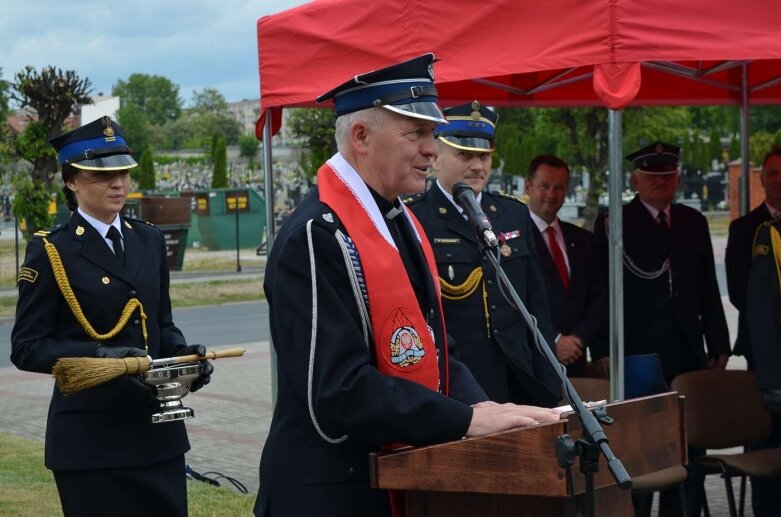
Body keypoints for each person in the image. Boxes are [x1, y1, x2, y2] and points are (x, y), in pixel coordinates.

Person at [254, 56, 560, 517]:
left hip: (399, 474)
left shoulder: (400, 220)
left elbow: (438, 350)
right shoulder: (315, 236)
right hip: (335, 491)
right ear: (361, 137)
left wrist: (494, 412)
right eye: (415, 133)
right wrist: (464, 420)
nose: (432, 149)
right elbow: (338, 390)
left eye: (432, 134)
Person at [10, 116, 212, 517]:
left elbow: (161, 324)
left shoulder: (149, 239)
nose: (118, 184)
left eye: (123, 173)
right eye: (102, 176)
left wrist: (184, 356)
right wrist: (97, 355)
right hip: (90, 440)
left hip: (157, 433)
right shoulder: (52, 250)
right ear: (72, 182)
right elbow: (27, 348)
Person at [593, 141, 730, 516]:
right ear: (636, 180)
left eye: (667, 176)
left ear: (678, 178)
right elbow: (602, 292)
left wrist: (719, 342)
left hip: (687, 350)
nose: (660, 183)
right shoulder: (614, 222)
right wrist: (602, 348)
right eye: (652, 177)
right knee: (640, 447)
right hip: (638, 352)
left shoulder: (693, 221)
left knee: (688, 446)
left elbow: (706, 289)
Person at [406, 101, 560, 407]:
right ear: (436, 158)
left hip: (520, 378)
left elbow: (536, 306)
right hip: (460, 385)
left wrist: (551, 381)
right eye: (464, 155)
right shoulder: (416, 218)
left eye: (483, 155)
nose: (478, 166)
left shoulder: (512, 213)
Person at [728, 145, 781, 517]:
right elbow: (740, 292)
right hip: (764, 357)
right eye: (773, 173)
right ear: (763, 180)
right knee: (764, 439)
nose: (780, 181)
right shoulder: (746, 228)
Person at [524, 155, 608, 378]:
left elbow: (598, 296)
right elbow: (513, 301)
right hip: (533, 364)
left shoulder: (582, 240)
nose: (551, 194)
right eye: (544, 186)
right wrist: (554, 341)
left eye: (559, 188)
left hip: (576, 359)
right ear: (528, 187)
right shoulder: (511, 239)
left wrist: (578, 338)